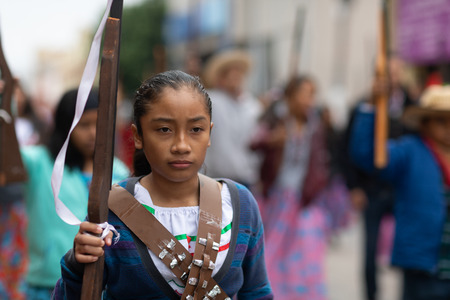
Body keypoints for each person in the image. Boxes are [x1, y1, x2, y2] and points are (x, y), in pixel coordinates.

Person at [52, 70, 273, 299]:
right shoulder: (110, 212)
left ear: (209, 133)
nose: (181, 145)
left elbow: (257, 291)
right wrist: (77, 265)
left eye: (196, 129)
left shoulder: (239, 205)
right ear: (138, 136)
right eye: (164, 130)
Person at [20, 88, 129, 299]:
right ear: (65, 125)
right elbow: (8, 153)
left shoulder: (119, 171)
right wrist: (6, 105)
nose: (93, 133)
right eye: (83, 125)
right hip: (46, 284)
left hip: (100, 286)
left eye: (99, 125)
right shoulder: (39, 163)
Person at [349, 84, 450, 300]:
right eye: (441, 121)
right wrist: (372, 105)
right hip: (422, 265)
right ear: (425, 123)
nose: (448, 127)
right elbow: (368, 155)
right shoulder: (410, 151)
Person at [250, 75, 331, 299]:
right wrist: (272, 139)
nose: (309, 100)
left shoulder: (314, 126)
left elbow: (321, 160)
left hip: (304, 198)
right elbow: (253, 142)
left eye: (312, 95)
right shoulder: (276, 122)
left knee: (306, 253)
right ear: (291, 96)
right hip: (276, 198)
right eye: (304, 94)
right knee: (272, 249)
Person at [343, 56, 416, 300]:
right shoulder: (362, 107)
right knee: (370, 253)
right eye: (386, 74)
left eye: (396, 73)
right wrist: (354, 187)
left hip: (401, 189)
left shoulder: (413, 104)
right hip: (371, 189)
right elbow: (350, 151)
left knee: (409, 247)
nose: (391, 79)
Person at [202, 49, 262, 188]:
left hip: (247, 177)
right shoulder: (211, 101)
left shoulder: (252, 105)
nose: (236, 76)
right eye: (230, 72)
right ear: (220, 78)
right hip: (216, 178)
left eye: (239, 72)